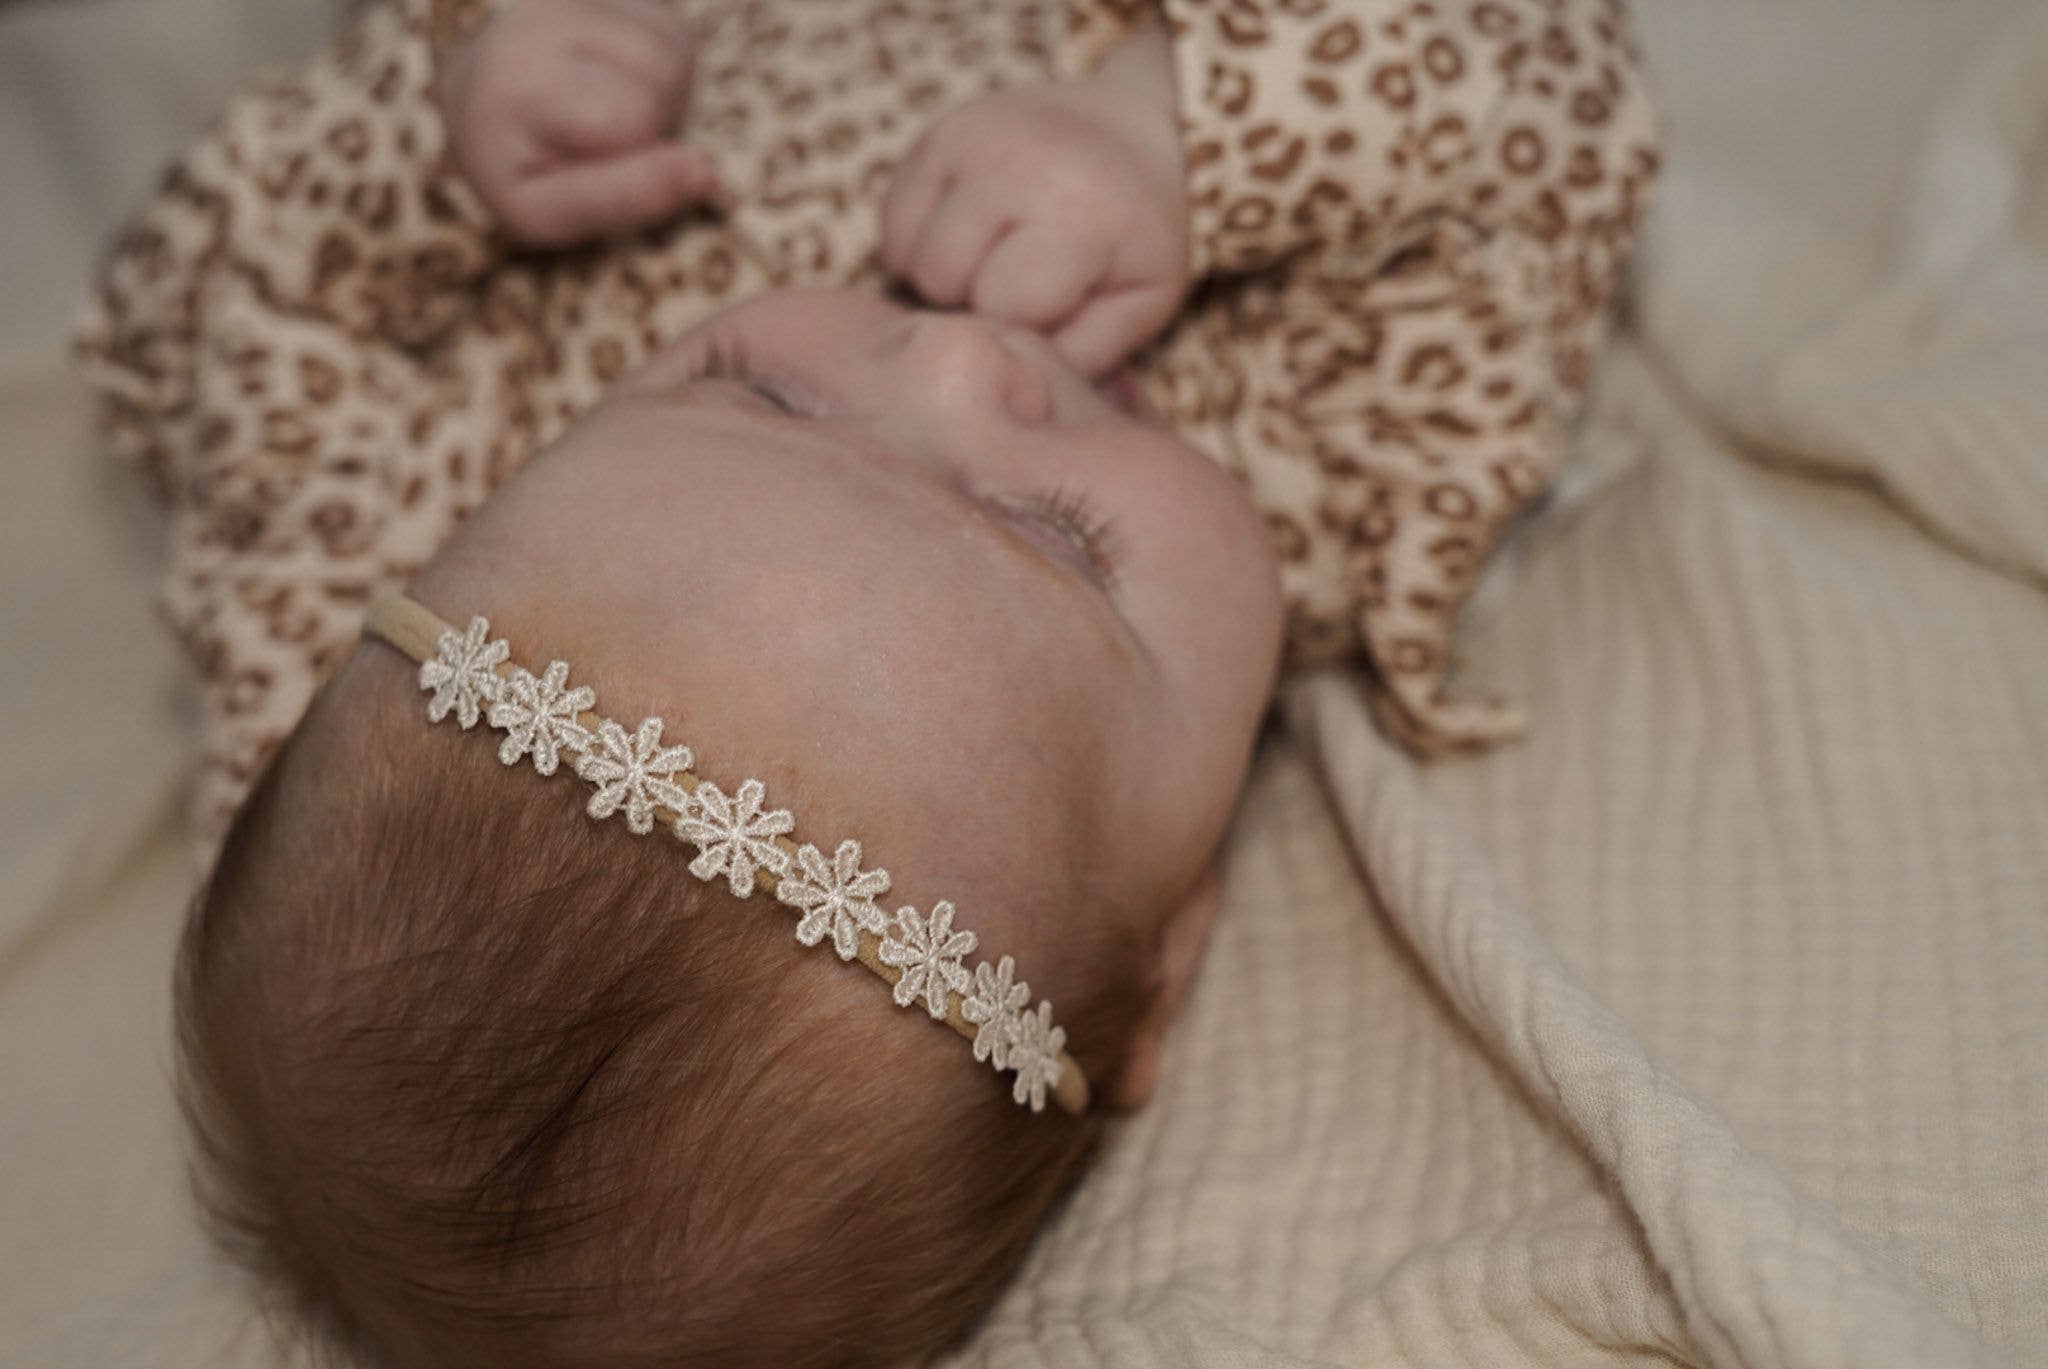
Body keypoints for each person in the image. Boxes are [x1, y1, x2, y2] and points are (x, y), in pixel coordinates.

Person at [76, 0, 1659, 1362]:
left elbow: (191, 313)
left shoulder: (403, 613)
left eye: (757, 392)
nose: (957, 358)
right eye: (1063, 537)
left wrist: (449, 125)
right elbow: (1549, 94)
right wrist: (1182, 131)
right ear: (1170, 938)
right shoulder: (1351, 459)